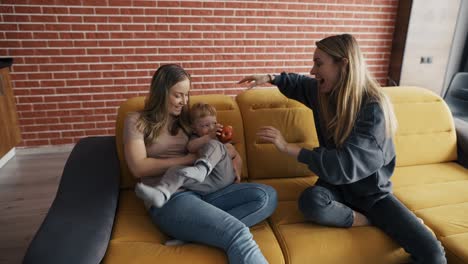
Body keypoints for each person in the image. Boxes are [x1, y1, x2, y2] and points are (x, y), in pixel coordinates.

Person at [238, 34, 446, 264]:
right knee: (311, 202)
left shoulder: (373, 109)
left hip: (371, 195)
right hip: (335, 187)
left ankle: (375, 217)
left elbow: (344, 166)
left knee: (434, 255)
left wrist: (289, 148)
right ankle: (368, 221)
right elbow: (298, 84)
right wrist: (271, 78)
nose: (312, 70)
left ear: (343, 64)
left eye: (319, 63)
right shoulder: (324, 93)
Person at [124, 64, 277, 264]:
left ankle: (195, 234)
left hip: (205, 190)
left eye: (187, 95)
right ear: (161, 92)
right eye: (178, 95)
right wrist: (187, 160)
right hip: (172, 198)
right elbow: (138, 167)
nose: (184, 101)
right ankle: (204, 230)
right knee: (237, 233)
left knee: (267, 196)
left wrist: (234, 155)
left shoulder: (186, 121)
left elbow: (211, 142)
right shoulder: (136, 121)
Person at [134, 102, 242, 208]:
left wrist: (237, 167)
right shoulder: (198, 138)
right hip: (208, 183)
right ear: (194, 128)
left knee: (214, 145)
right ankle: (161, 193)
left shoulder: (218, 138)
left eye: (214, 123)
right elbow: (191, 147)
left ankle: (201, 169)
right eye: (205, 125)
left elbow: (234, 154)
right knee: (175, 171)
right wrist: (208, 137)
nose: (211, 128)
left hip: (224, 176)